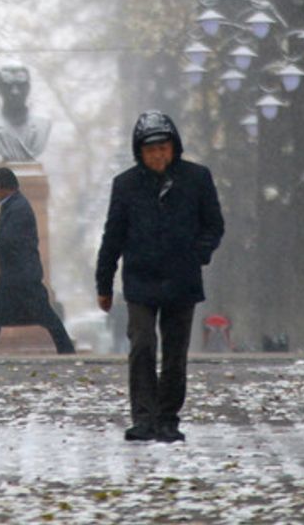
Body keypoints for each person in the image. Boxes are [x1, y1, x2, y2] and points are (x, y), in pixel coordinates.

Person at [95, 110, 224, 443]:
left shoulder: (197, 178)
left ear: (174, 147)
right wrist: (104, 284)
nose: (158, 155)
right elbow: (113, 237)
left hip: (182, 280)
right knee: (142, 345)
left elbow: (214, 225)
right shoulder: (125, 186)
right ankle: (144, 418)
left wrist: (199, 253)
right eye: (151, 149)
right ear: (139, 152)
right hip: (140, 281)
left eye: (163, 147)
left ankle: (168, 418)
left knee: (175, 352)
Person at [0, 167, 75, 354]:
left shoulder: (17, 208)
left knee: (1, 316)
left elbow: (6, 240)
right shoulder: (14, 205)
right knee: (1, 316)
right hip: (20, 274)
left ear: (2, 187)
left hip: (19, 275)